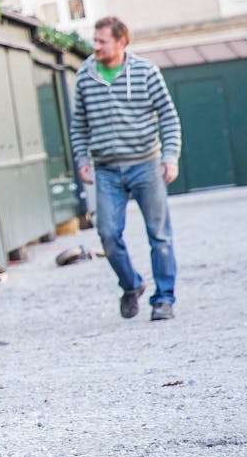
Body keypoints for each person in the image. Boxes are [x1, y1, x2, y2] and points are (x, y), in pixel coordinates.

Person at [69, 16, 183, 321]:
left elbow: (169, 118)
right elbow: (78, 125)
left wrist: (169, 156)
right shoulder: (85, 76)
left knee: (159, 235)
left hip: (145, 164)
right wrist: (82, 160)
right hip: (106, 169)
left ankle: (163, 299)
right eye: (94, 40)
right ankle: (131, 285)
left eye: (102, 41)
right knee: (107, 234)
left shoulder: (146, 72)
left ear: (121, 42)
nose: (95, 46)